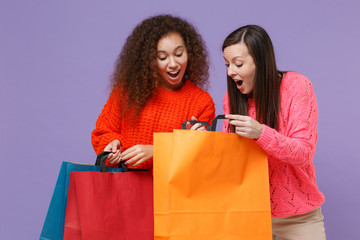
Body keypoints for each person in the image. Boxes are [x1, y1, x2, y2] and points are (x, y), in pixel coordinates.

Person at [221, 25, 326, 240]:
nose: (230, 71)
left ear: (261, 61)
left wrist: (260, 133)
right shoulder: (230, 98)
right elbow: (230, 161)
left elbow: (303, 151)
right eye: (227, 64)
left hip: (299, 215)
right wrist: (205, 137)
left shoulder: (297, 86)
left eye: (238, 64)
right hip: (247, 211)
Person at [91, 15, 215, 170]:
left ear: (189, 54)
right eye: (162, 57)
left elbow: (199, 159)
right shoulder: (127, 91)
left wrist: (158, 150)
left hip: (172, 191)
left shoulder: (201, 102)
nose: (173, 64)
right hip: (125, 188)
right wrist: (112, 145)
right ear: (149, 60)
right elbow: (103, 132)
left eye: (178, 54)